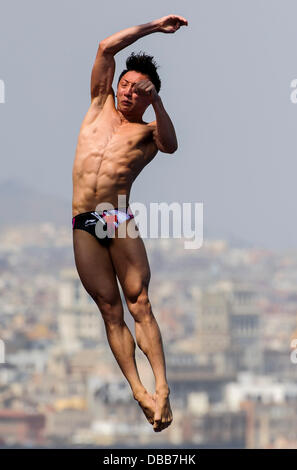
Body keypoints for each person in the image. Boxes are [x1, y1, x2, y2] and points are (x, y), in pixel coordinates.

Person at [72, 14, 188, 433]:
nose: (127, 92)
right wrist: (155, 27)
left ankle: (162, 387)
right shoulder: (99, 104)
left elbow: (171, 146)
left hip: (117, 217)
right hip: (84, 220)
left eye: (137, 90)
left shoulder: (146, 133)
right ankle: (138, 389)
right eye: (125, 84)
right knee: (109, 308)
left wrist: (156, 100)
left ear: (146, 98)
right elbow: (106, 46)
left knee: (139, 303)